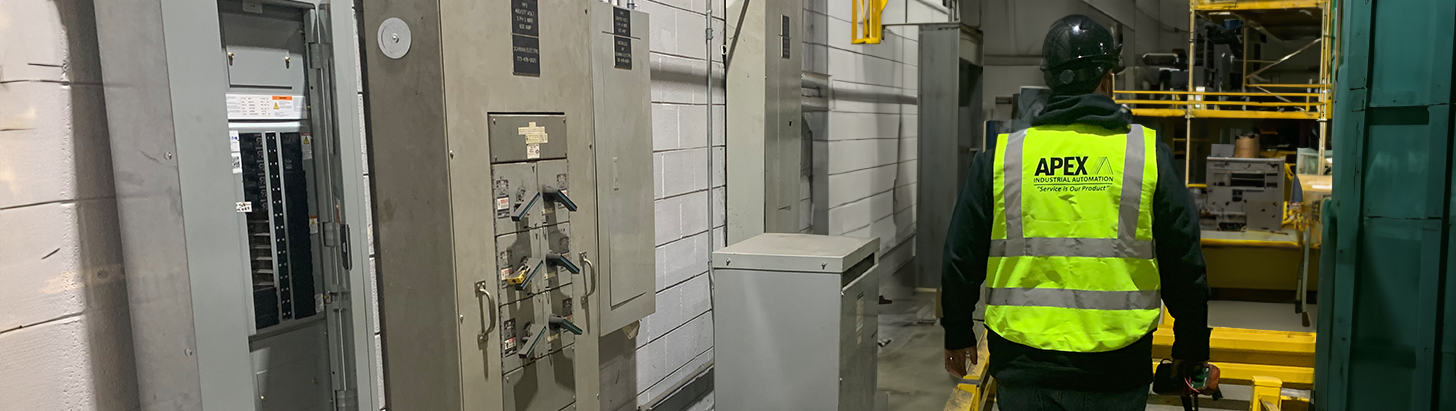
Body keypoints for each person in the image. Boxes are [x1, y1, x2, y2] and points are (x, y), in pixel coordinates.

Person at [938, 15, 1212, 410]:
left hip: (1023, 366)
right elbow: (1184, 263)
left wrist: (958, 332)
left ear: (1051, 80)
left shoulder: (1002, 157)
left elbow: (961, 255)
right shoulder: (1147, 156)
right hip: (1115, 370)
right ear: (1107, 79)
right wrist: (1192, 348)